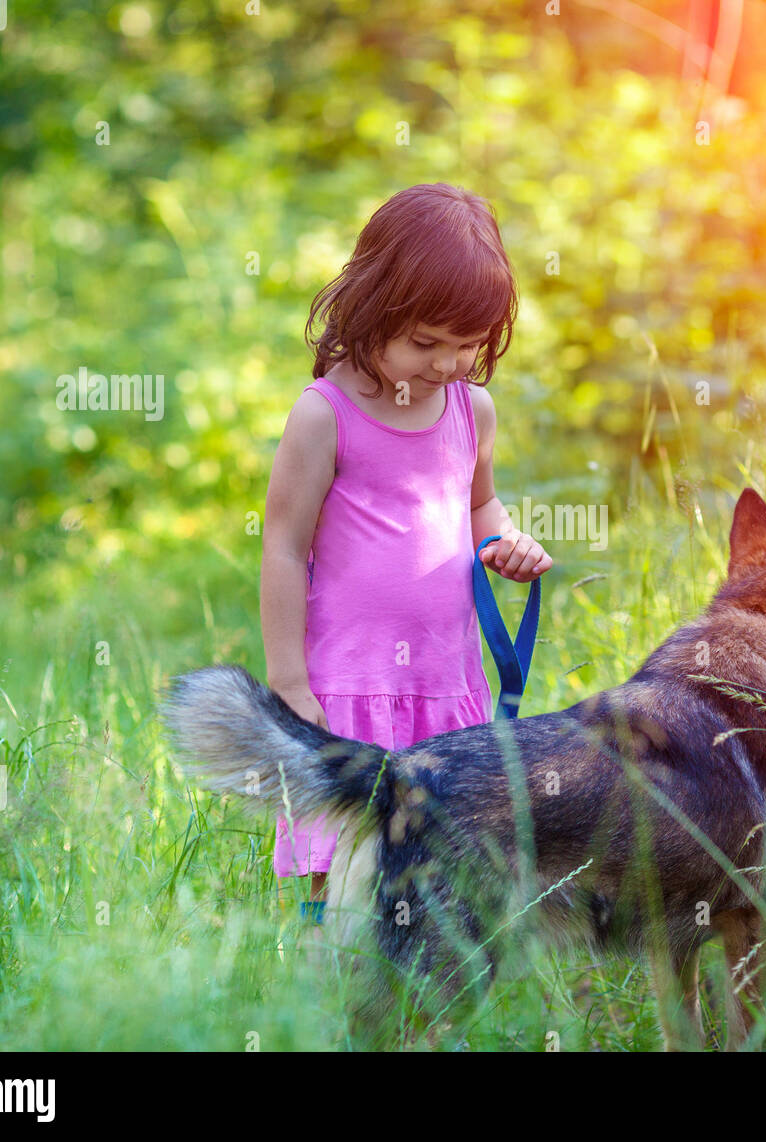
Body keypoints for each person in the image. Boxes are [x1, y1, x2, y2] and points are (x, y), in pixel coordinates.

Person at [260, 183, 552, 930]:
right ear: (372, 308)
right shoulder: (324, 415)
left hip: (443, 686)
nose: (449, 363)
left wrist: (503, 543)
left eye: (466, 344)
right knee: (344, 863)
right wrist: (290, 683)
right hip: (349, 688)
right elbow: (285, 548)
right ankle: (326, 991)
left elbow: (479, 506)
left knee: (439, 869)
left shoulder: (470, 410)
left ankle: (422, 1007)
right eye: (425, 342)